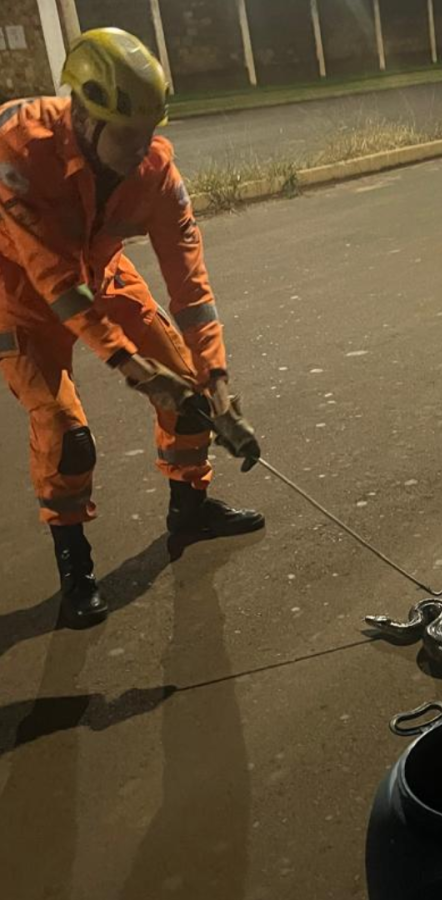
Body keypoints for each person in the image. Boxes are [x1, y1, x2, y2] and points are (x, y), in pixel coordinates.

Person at [0, 28, 263, 629]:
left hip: (99, 271)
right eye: (129, 134)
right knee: (65, 431)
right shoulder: (18, 149)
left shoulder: (153, 167)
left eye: (150, 130)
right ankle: (75, 567)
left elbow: (191, 286)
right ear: (85, 118)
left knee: (185, 377)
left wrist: (217, 383)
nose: (142, 146)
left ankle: (189, 510)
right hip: (15, 288)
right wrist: (135, 371)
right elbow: (54, 283)